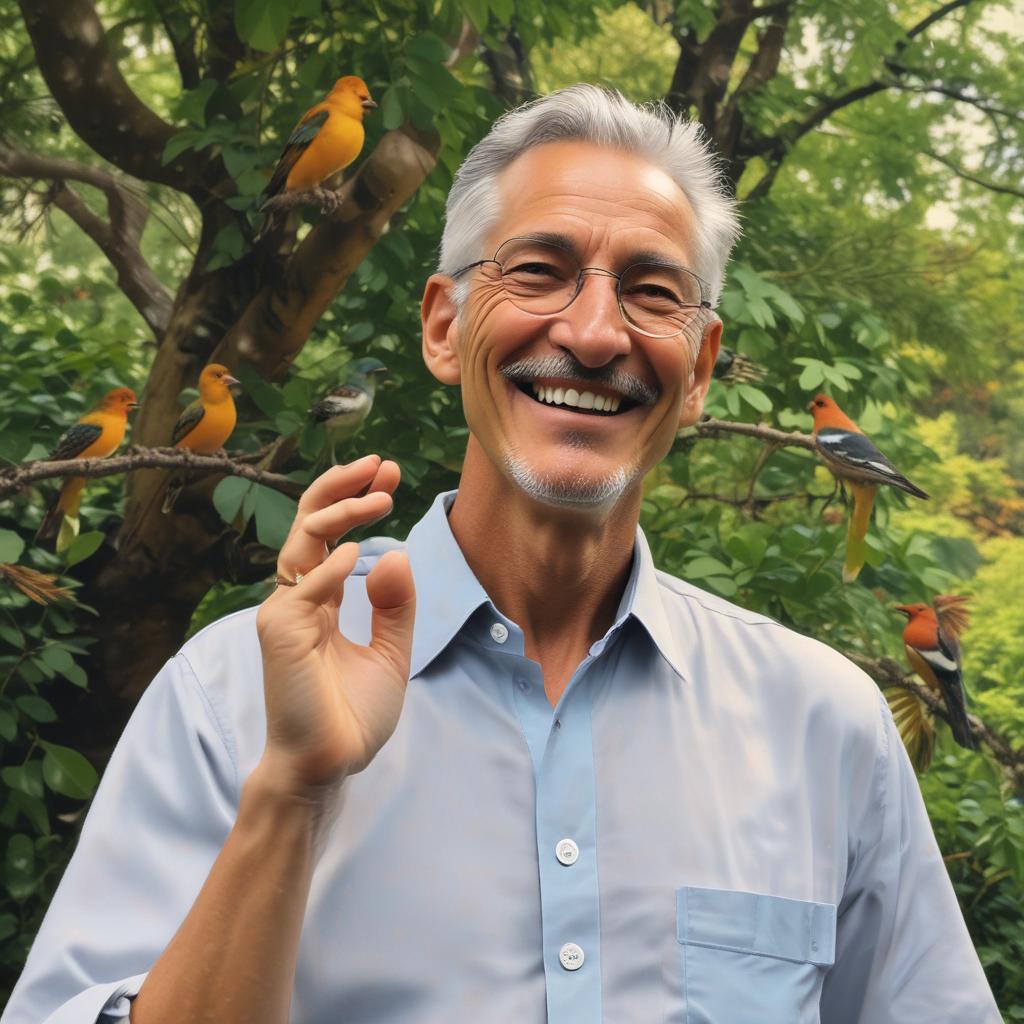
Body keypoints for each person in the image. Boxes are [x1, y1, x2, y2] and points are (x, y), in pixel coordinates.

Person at [3, 85, 1000, 1024]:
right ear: (444, 326)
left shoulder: (825, 728)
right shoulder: (227, 696)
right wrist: (292, 790)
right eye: (537, 272)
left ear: (698, 371)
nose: (595, 331)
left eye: (653, 291)